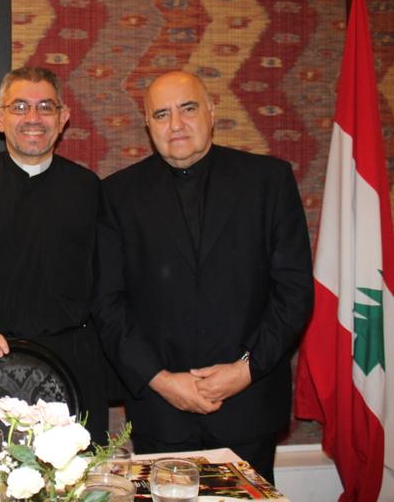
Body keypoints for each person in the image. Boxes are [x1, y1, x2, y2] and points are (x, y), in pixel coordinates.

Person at [95, 70, 313, 482]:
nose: (175, 124)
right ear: (148, 125)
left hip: (248, 406)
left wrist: (244, 370)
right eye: (161, 114)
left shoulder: (269, 181)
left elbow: (294, 290)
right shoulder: (117, 195)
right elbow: (108, 304)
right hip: (161, 413)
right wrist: (161, 381)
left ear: (212, 112)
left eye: (187, 108)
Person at [0, 67, 109, 442]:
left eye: (45, 107)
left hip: (73, 369)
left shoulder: (89, 190)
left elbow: (107, 283)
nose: (33, 118)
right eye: (20, 107)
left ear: (63, 119)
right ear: (0, 118)